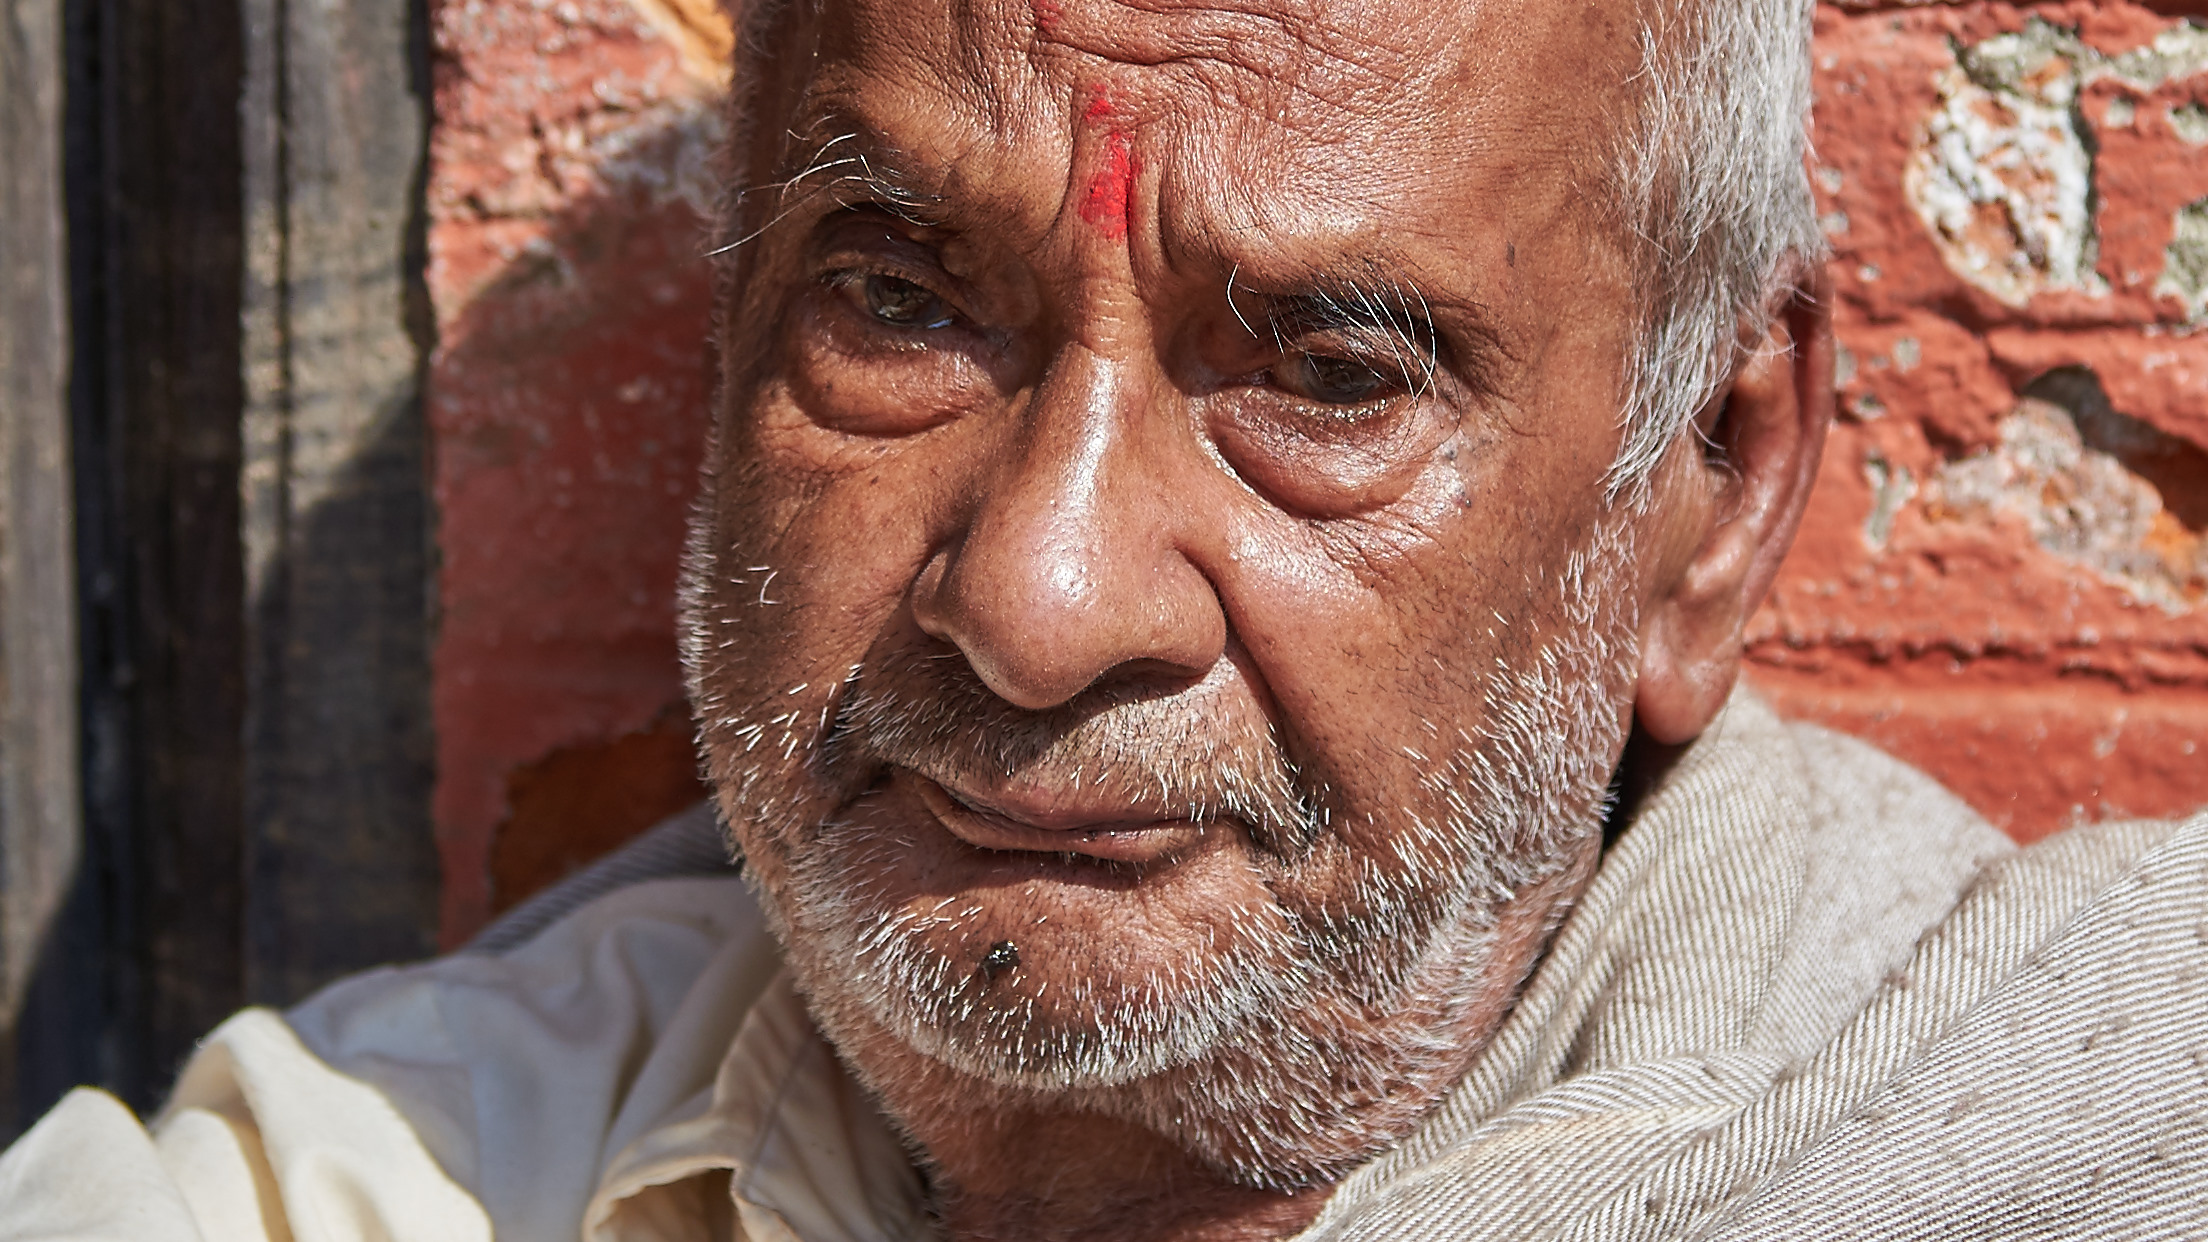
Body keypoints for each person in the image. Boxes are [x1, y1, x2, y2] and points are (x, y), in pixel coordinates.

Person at [5, 0, 2205, 1238]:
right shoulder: (422, 1161)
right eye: (897, 303)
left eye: (1325, 376)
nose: (1037, 604)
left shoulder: (2089, 1118)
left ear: (1708, 488)